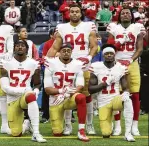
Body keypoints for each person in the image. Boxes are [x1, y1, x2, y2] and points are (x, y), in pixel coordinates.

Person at [47, 3, 98, 135]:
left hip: (83, 65)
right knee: (66, 94)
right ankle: (68, 125)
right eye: (72, 11)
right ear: (69, 13)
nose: (74, 13)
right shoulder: (62, 27)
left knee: (87, 96)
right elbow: (54, 47)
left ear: (81, 13)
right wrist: (47, 59)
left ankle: (89, 124)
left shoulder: (88, 26)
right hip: (67, 65)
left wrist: (89, 58)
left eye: (77, 11)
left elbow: (94, 46)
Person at [107, 8, 146, 136]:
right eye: (122, 13)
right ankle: (117, 125)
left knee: (135, 95)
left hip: (132, 62)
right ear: (119, 16)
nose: (125, 15)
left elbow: (140, 49)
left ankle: (134, 125)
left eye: (127, 13)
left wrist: (129, 60)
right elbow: (110, 48)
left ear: (131, 16)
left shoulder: (137, 27)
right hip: (117, 63)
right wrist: (120, 41)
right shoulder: (114, 27)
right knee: (116, 95)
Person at [0, 40, 46, 143]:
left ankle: (36, 133)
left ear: (27, 49)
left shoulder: (33, 63)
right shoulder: (6, 63)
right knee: (15, 133)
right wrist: (23, 90)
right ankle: (26, 125)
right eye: (17, 45)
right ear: (14, 48)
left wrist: (36, 92)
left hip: (25, 96)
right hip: (12, 99)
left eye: (22, 46)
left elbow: (37, 83)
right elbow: (5, 88)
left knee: (31, 96)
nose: (20, 47)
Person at [88, 44, 135, 142]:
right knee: (106, 134)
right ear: (103, 55)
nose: (109, 55)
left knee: (127, 100)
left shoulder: (120, 67)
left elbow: (125, 87)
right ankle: (110, 122)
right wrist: (104, 84)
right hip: (103, 102)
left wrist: (126, 92)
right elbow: (90, 89)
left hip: (115, 99)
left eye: (111, 54)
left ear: (114, 55)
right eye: (106, 54)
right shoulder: (96, 67)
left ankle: (128, 133)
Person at [44, 43, 89, 142]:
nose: (66, 53)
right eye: (63, 51)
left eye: (68, 51)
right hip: (56, 99)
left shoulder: (77, 64)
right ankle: (66, 123)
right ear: (59, 52)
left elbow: (80, 85)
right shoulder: (51, 63)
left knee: (81, 97)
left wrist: (68, 93)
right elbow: (47, 89)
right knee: (57, 133)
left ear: (71, 52)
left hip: (70, 97)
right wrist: (61, 91)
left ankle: (81, 130)